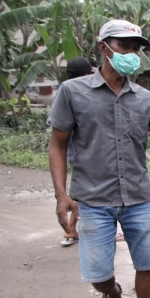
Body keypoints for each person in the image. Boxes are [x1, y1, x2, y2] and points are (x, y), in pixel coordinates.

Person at [47, 19, 150, 298]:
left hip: (139, 197)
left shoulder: (145, 99)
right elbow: (58, 144)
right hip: (92, 199)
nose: (132, 53)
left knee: (148, 265)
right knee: (98, 274)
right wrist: (62, 196)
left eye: (136, 48)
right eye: (125, 46)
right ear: (104, 48)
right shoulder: (73, 93)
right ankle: (112, 293)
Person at [60, 57, 94, 247]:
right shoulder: (76, 91)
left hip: (74, 153)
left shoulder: (65, 90)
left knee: (82, 194)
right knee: (87, 195)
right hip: (84, 153)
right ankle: (71, 230)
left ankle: (71, 230)